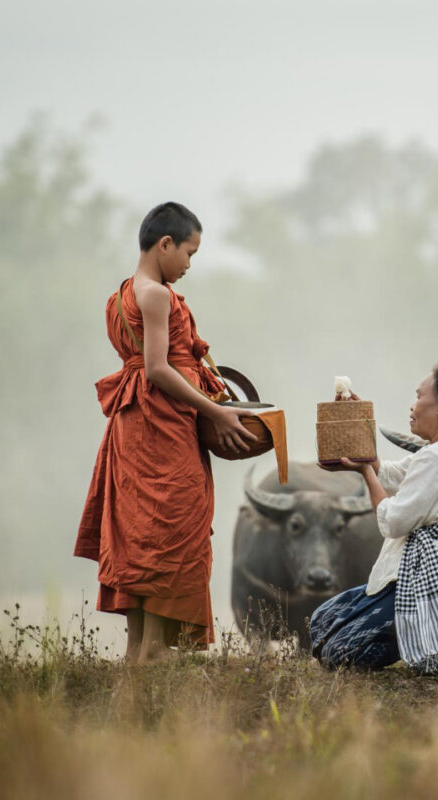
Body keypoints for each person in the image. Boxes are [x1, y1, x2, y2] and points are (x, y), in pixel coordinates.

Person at [75, 202, 258, 663]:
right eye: (189, 253)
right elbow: (156, 368)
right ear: (165, 244)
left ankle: (140, 648)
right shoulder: (156, 295)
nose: (189, 265)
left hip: (134, 426)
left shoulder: (119, 296)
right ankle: (156, 649)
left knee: (142, 530)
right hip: (161, 426)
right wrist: (215, 412)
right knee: (171, 527)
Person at [309, 363, 438, 674]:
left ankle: (429, 648)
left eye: (419, 396)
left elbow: (392, 522)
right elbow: (392, 475)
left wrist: (365, 472)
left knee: (338, 652)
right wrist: (359, 422)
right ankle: (429, 644)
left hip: (431, 592)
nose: (413, 405)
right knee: (322, 620)